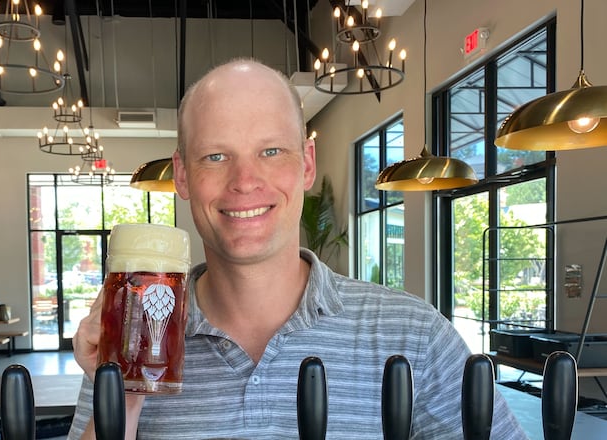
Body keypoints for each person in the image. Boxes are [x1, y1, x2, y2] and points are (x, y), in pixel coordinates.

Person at [68, 59, 528, 439]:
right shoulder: (132, 339)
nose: (245, 181)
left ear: (306, 164)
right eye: (215, 156)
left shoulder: (414, 336)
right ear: (183, 175)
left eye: (270, 151)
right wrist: (126, 395)